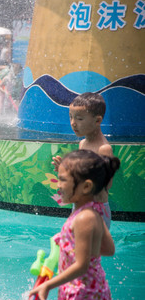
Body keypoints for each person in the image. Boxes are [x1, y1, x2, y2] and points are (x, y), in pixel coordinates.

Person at [30, 149, 119, 300]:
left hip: (81, 293)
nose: (58, 186)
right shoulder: (93, 212)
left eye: (63, 180)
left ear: (86, 187)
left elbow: (81, 265)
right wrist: (77, 246)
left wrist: (47, 286)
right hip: (89, 290)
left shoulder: (84, 218)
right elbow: (109, 249)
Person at [52, 92, 113, 228]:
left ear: (97, 121)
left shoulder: (103, 149)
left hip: (96, 210)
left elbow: (107, 185)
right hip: (80, 204)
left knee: (92, 247)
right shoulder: (83, 144)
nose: (73, 123)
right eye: (71, 117)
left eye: (79, 119)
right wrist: (66, 171)